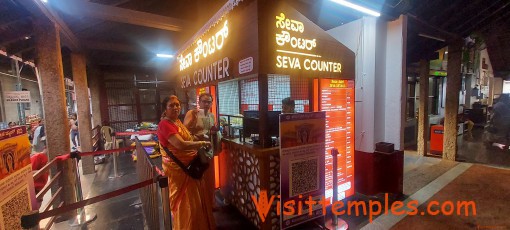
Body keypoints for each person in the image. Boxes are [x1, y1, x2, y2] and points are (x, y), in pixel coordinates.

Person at [157, 95, 215, 230]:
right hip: (180, 170)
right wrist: (202, 143)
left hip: (192, 167)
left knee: (196, 203)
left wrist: (198, 138)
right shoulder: (165, 124)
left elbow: (187, 136)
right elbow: (181, 145)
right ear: (165, 109)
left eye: (177, 104)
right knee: (188, 205)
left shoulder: (176, 122)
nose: (175, 107)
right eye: (171, 105)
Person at [184, 93, 219, 210]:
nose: (206, 104)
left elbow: (211, 130)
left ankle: (210, 202)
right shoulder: (193, 114)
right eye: (204, 101)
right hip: (196, 151)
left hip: (208, 150)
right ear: (199, 102)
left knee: (209, 178)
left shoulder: (211, 116)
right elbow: (184, 132)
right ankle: (199, 205)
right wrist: (198, 137)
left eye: (209, 102)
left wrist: (214, 133)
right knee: (198, 177)